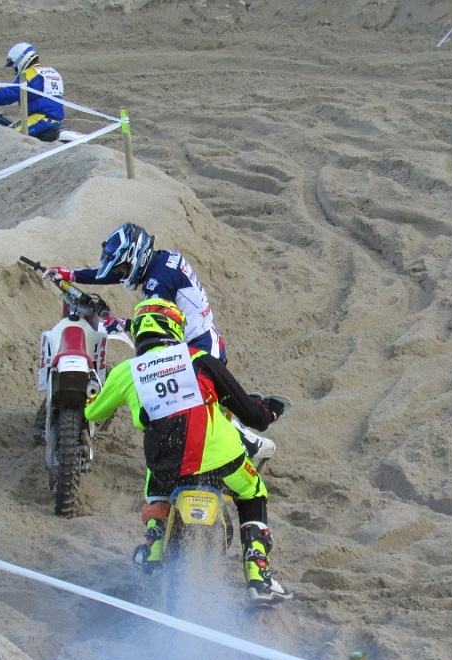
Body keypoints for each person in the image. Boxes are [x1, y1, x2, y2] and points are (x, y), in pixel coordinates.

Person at [84, 298, 293, 605]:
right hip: (221, 459)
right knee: (253, 492)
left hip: (167, 468)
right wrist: (270, 412)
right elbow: (252, 416)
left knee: (152, 481)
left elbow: (93, 413)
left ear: (140, 330)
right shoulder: (200, 358)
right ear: (175, 328)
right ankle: (258, 575)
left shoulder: (127, 372)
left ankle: (153, 547)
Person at [42, 221, 277, 466]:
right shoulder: (163, 261)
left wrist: (119, 324)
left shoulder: (157, 284)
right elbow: (120, 277)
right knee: (199, 411)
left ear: (137, 258)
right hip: (199, 339)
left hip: (196, 348)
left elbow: (154, 325)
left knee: (191, 414)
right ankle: (244, 432)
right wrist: (73, 275)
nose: (121, 275)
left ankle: (251, 445)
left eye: (123, 270)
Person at [0, 42, 65, 142]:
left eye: (13, 65)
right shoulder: (50, 71)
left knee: (6, 137)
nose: (14, 69)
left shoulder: (29, 73)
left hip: (40, 118)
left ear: (19, 60)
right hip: (53, 118)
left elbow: (9, 94)